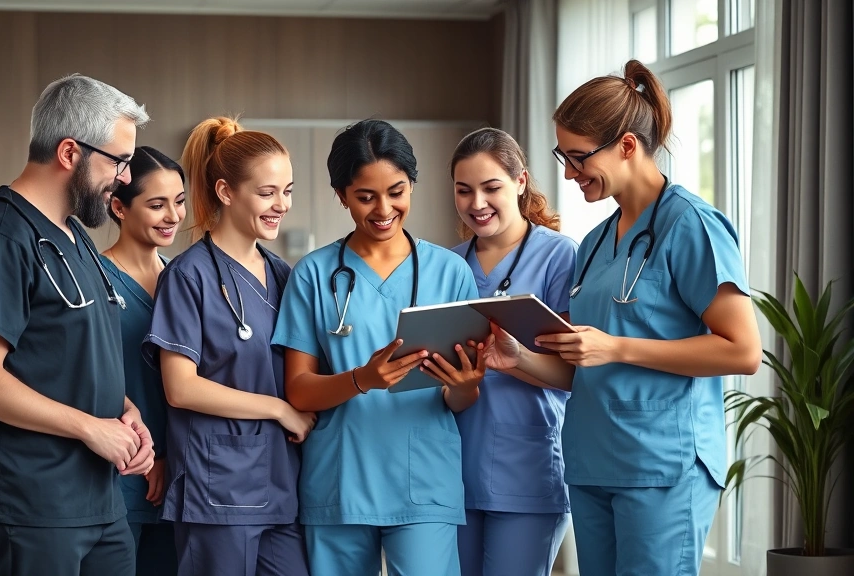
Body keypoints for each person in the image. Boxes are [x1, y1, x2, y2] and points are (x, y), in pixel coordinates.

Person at [475, 60, 762, 576]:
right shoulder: (594, 243)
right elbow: (581, 367)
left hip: (660, 465)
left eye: (579, 157)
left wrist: (619, 346)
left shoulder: (690, 224)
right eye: (563, 157)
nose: (567, 172)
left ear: (627, 146)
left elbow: (742, 351)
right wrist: (518, 360)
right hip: (593, 462)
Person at [0, 74, 156, 576]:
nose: (125, 177)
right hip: (28, 505)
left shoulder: (73, 236)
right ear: (69, 153)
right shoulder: (2, 241)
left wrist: (126, 415)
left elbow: (71, 355)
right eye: (119, 161)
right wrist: (91, 429)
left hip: (98, 502)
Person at [271, 119, 490, 576]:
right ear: (341, 194)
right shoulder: (313, 275)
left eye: (397, 191)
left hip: (425, 477)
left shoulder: (451, 273)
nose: (384, 209)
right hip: (341, 480)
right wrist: (361, 379)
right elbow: (299, 390)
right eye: (365, 197)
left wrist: (467, 384)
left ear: (412, 184)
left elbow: (460, 398)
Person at [141, 116, 313, 576]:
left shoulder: (283, 276)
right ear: (224, 192)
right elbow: (181, 388)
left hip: (280, 484)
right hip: (217, 489)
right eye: (267, 193)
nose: (282, 205)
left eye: (288, 191)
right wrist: (278, 409)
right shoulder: (188, 276)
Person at [448, 127, 576, 576]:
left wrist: (517, 359)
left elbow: (573, 372)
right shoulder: (449, 263)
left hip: (528, 465)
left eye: (491, 187)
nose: (476, 203)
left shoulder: (559, 256)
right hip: (453, 468)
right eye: (464, 191)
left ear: (521, 182)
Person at [99, 145, 185, 575]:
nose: (172, 215)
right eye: (157, 204)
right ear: (118, 206)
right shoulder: (94, 280)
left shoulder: (184, 279)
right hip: (120, 472)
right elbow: (84, 378)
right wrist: (147, 455)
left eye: (179, 202)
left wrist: (170, 457)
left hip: (179, 474)